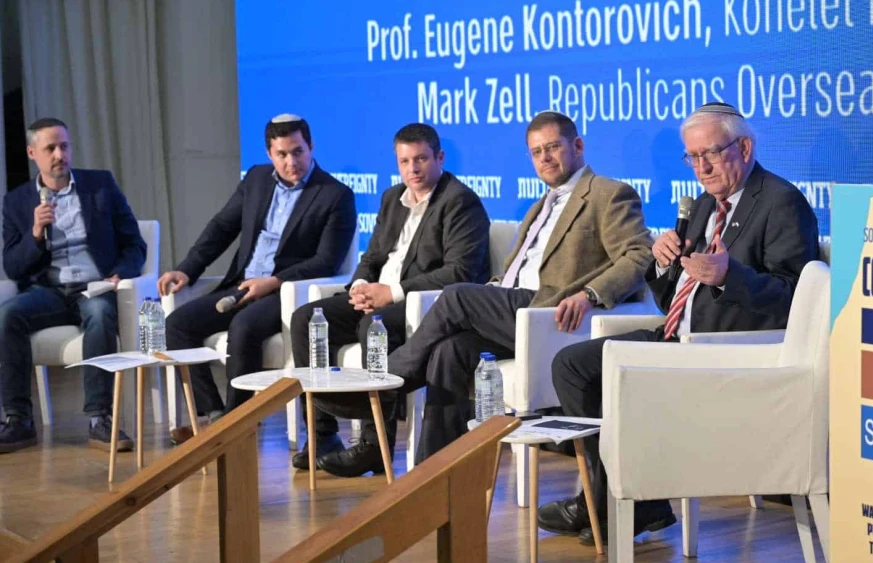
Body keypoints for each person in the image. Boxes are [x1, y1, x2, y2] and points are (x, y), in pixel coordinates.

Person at [537, 101, 820, 545]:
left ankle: (618, 501)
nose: (701, 168)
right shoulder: (706, 205)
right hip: (678, 335)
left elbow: (795, 299)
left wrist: (731, 276)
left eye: (710, 154)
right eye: (692, 157)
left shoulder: (782, 203)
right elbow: (673, 298)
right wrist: (662, 265)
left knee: (609, 373)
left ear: (744, 147)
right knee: (572, 365)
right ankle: (614, 495)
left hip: (724, 351)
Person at [321, 111, 654, 477]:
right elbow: (515, 272)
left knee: (458, 296)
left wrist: (590, 294)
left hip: (552, 315)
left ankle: (385, 383)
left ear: (577, 146)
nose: (544, 158)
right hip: (514, 312)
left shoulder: (608, 194)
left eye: (553, 147)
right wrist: (493, 289)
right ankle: (436, 476)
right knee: (449, 353)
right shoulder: (540, 205)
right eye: (536, 151)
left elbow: (638, 255)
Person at [287, 123, 491, 475]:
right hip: (378, 297)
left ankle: (374, 444)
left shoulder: (459, 201)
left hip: (420, 306)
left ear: (439, 158)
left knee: (373, 327)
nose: (413, 168)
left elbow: (460, 273)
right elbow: (372, 256)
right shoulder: (392, 198)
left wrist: (392, 292)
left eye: (422, 159)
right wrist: (361, 285)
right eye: (405, 161)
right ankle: (322, 435)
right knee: (306, 319)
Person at [160, 114, 356, 441]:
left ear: (311, 147)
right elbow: (222, 228)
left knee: (244, 326)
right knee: (178, 324)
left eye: (298, 151)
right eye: (282, 154)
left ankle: (239, 419)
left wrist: (275, 281)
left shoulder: (335, 195)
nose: (291, 161)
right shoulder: (256, 179)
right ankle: (213, 414)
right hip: (240, 285)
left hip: (283, 293)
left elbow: (326, 261)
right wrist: (187, 268)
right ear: (269, 154)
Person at [0, 117, 147, 453]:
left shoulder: (100, 185)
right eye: (50, 148)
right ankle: (18, 420)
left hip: (94, 286)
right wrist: (35, 234)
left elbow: (134, 244)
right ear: (32, 152)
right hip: (48, 292)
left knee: (98, 314)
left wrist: (118, 274)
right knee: (7, 316)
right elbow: (13, 266)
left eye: (64, 146)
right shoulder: (17, 202)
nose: (59, 155)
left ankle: (100, 418)